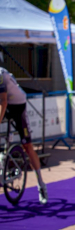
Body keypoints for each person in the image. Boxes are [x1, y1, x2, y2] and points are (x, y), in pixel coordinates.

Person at [0, 65, 48, 204]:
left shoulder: (0, 75)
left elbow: (3, 102)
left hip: (16, 105)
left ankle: (41, 185)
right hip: (4, 103)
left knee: (27, 145)